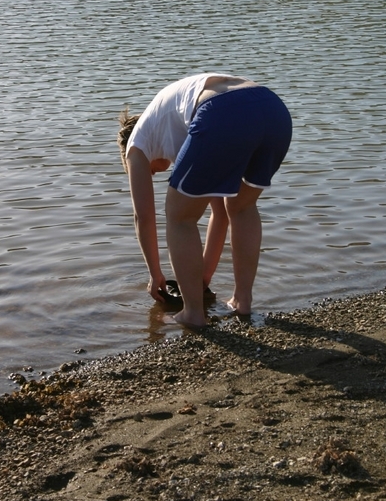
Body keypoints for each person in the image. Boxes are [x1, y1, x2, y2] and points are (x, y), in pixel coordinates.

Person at [117, 73, 292, 328]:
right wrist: (202, 279)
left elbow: (143, 217)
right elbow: (219, 214)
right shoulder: (176, 127)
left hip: (221, 112)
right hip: (273, 109)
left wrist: (155, 276)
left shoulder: (136, 143)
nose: (154, 173)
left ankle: (193, 315)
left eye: (152, 171)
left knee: (178, 217)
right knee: (241, 207)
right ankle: (242, 302)